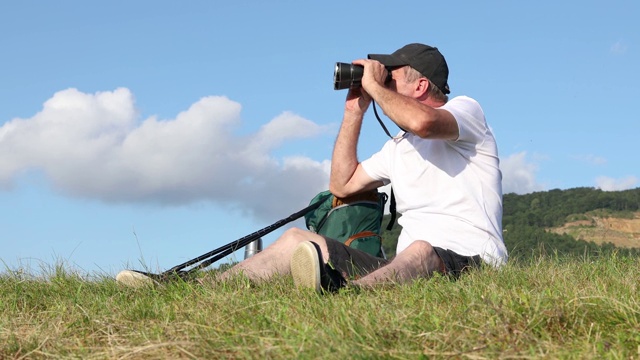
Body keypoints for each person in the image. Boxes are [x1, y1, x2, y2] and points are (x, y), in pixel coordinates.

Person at [117, 43, 508, 291]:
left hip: (472, 262)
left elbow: (423, 121)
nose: (382, 82)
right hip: (404, 267)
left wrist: (374, 87)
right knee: (293, 241)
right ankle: (193, 290)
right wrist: (353, 111)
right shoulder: (399, 148)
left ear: (420, 86)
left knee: (420, 249)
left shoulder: (467, 113)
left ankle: (347, 295)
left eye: (391, 77)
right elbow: (342, 184)